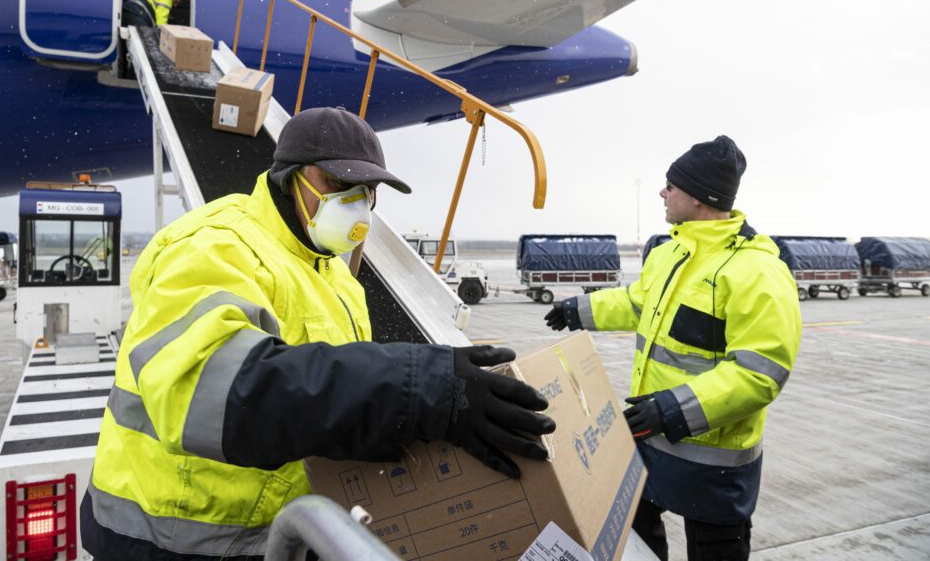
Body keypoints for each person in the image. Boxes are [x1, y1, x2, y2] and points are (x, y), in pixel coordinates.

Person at [81, 107, 555, 561]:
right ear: (291, 177)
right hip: (172, 542)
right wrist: (416, 387)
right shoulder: (214, 246)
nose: (358, 203)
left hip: (280, 535)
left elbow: (334, 397)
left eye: (368, 189)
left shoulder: (338, 277)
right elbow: (219, 395)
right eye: (339, 183)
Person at [544, 136, 800, 561]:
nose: (663, 192)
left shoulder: (758, 271)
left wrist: (671, 410)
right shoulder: (670, 254)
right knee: (639, 542)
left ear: (699, 198)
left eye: (671, 185)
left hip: (713, 460)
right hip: (651, 442)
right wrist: (578, 310)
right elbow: (638, 302)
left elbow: (760, 373)